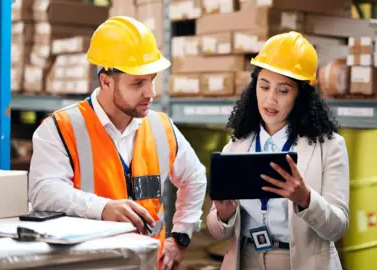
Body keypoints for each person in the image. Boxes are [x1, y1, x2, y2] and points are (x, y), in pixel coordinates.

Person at [28, 16, 207, 270]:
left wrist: (180, 238)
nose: (151, 93)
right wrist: (103, 208)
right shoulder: (61, 128)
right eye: (138, 83)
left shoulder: (161, 128)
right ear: (106, 80)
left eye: (152, 79)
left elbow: (195, 178)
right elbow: (43, 191)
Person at [206, 31, 350, 270]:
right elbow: (218, 232)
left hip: (300, 263)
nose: (270, 99)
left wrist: (305, 199)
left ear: (300, 96)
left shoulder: (330, 146)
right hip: (246, 260)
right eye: (264, 87)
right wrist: (223, 215)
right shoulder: (237, 146)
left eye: (283, 91)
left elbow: (338, 227)